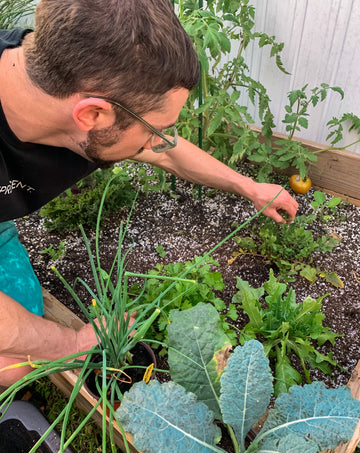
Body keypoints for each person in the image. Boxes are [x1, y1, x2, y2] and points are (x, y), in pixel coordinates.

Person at [0, 0, 298, 387]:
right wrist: (72, 341)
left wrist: (251, 187)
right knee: (14, 368)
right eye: (154, 128)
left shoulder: (61, 81)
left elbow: (169, 151)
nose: (160, 140)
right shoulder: (88, 109)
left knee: (20, 355)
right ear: (92, 115)